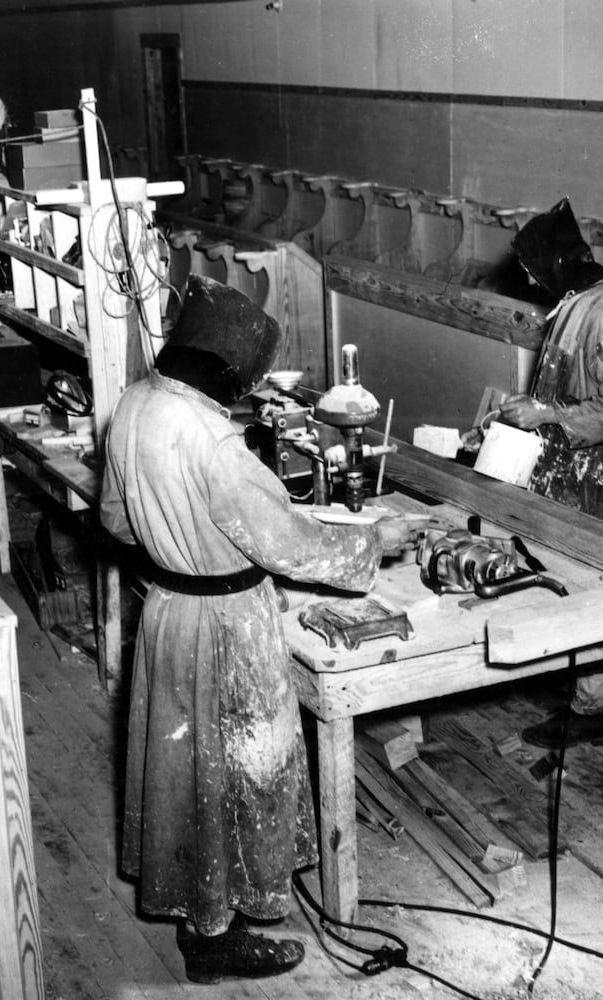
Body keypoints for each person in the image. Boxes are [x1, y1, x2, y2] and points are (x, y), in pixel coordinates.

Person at [100, 274, 414, 984]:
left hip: (167, 612)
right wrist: (375, 540)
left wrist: (178, 539)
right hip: (226, 624)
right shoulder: (212, 439)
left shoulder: (133, 404)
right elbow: (289, 545)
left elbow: (116, 520)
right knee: (241, 770)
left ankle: (204, 915)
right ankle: (216, 937)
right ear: (225, 369)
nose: (238, 396)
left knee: (185, 773)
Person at [495, 197, 603, 749]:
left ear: (558, 262)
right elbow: (567, 391)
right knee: (569, 578)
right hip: (579, 467)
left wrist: (547, 414)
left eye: (533, 267)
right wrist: (534, 409)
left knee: (593, 588)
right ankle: (585, 691)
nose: (529, 279)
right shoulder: (575, 302)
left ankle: (592, 709)